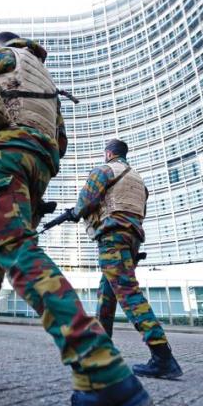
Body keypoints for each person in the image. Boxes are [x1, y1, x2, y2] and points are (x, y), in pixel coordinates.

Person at [0, 32, 151, 406]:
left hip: (6, 158)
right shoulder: (45, 79)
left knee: (14, 248)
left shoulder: (1, 56)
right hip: (39, 167)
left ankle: (101, 370)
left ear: (0, 42)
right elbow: (60, 141)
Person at [68, 138, 182, 380]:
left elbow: (85, 202)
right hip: (132, 238)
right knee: (107, 295)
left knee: (128, 293)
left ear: (108, 154)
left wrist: (74, 213)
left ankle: (163, 357)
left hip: (113, 238)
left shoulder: (104, 170)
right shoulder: (139, 180)